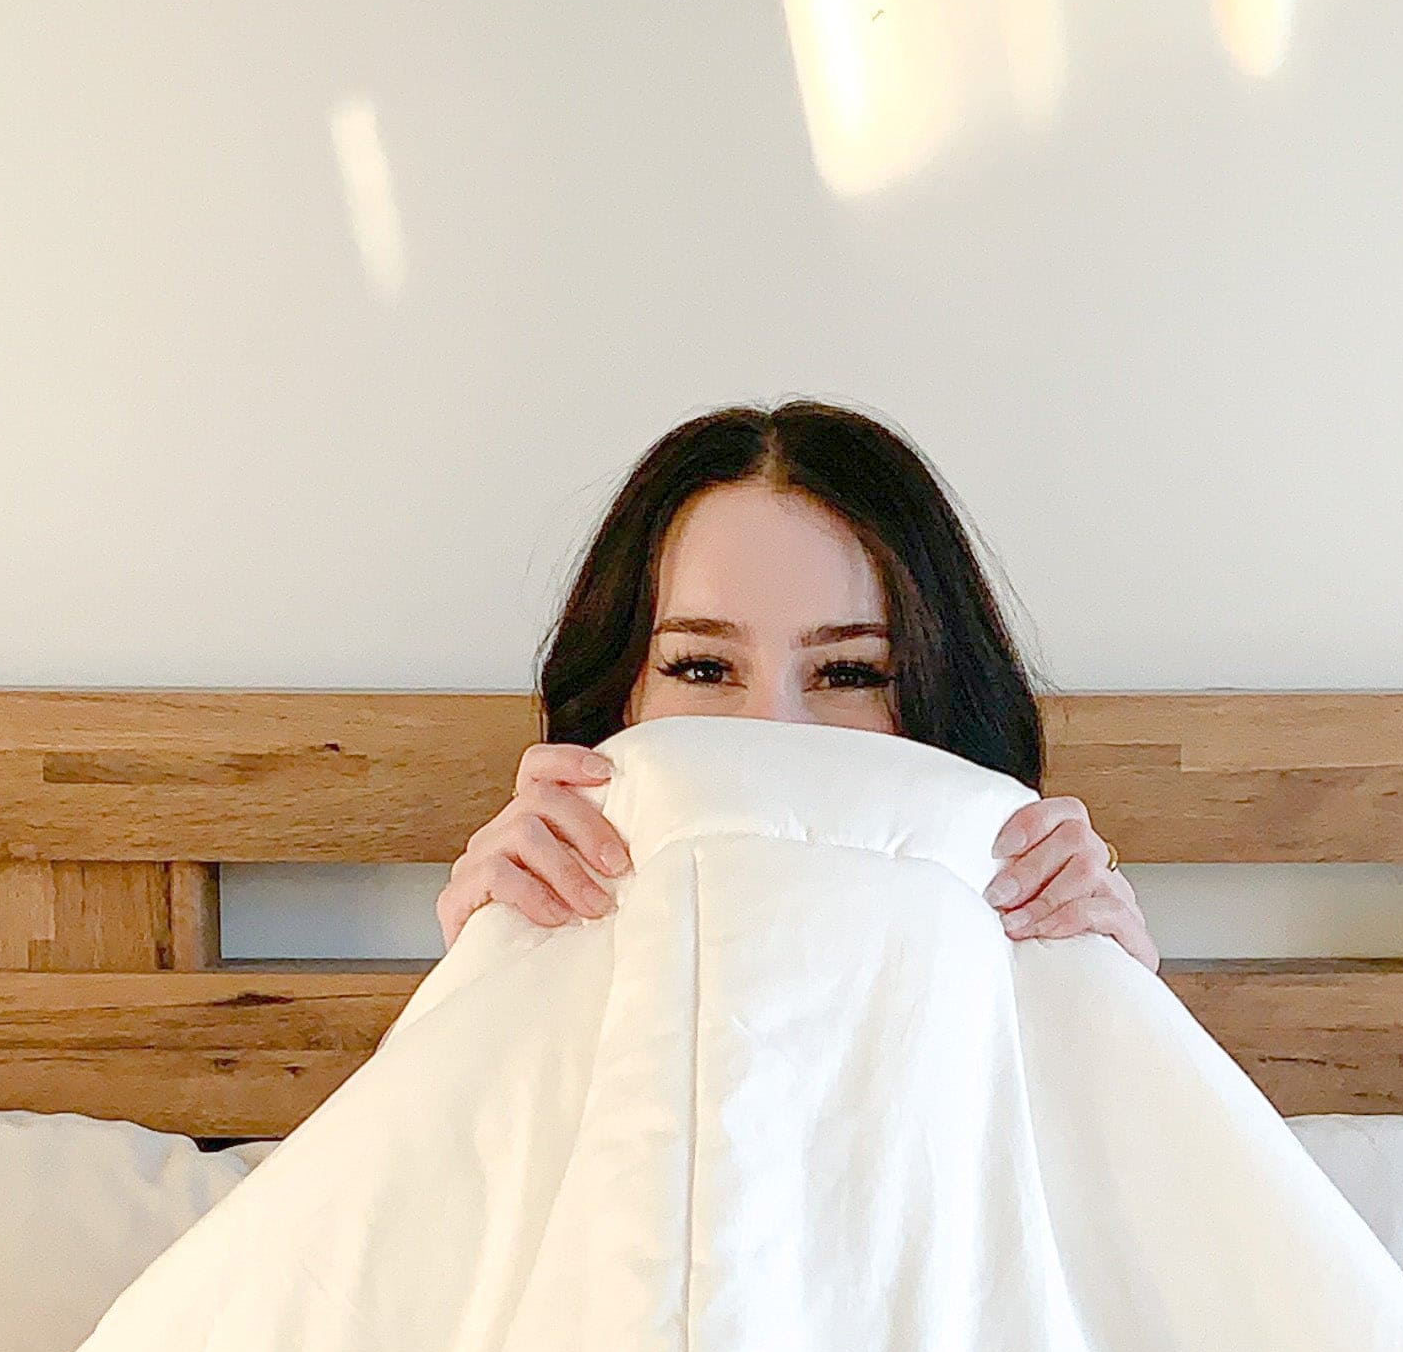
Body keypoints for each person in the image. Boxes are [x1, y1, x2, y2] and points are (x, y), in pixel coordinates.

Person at [437, 400, 1160, 969]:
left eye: (848, 674)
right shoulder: (541, 912)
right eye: (703, 668)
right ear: (618, 695)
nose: (771, 730)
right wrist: (490, 969)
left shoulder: (1028, 923)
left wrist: (1109, 995)